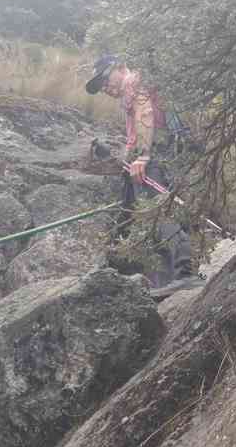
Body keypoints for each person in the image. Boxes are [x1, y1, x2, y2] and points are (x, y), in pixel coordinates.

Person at [85, 54, 203, 299]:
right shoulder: (132, 89)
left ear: (120, 67)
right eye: (101, 87)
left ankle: (184, 275)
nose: (105, 88)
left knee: (157, 210)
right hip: (163, 152)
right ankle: (154, 279)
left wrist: (143, 156)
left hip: (156, 153)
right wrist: (127, 159)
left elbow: (146, 113)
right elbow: (134, 133)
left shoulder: (131, 81)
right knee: (131, 212)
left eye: (105, 80)